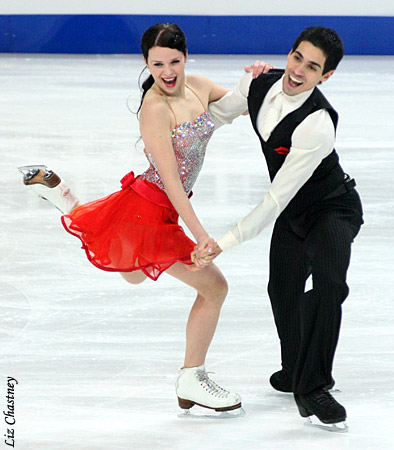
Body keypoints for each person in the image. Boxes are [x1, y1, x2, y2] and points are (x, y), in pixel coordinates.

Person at [18, 23, 273, 416]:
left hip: (151, 205)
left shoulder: (200, 86)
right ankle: (192, 378)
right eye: (157, 64)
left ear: (186, 58)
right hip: (150, 209)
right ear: (146, 64)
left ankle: (65, 198)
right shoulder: (155, 108)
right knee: (214, 288)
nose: (167, 71)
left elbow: (236, 106)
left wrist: (254, 80)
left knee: (133, 272)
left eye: (174, 61)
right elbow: (172, 181)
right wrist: (203, 236)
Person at [195, 26, 363, 427]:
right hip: (293, 213)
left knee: (328, 284)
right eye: (297, 57)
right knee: (282, 288)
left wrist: (225, 241)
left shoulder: (317, 123)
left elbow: (275, 199)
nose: (299, 70)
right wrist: (174, 127)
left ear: (327, 76)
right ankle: (295, 369)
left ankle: (314, 386)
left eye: (313, 67)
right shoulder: (259, 84)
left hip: (331, 208)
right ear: (289, 54)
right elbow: (214, 116)